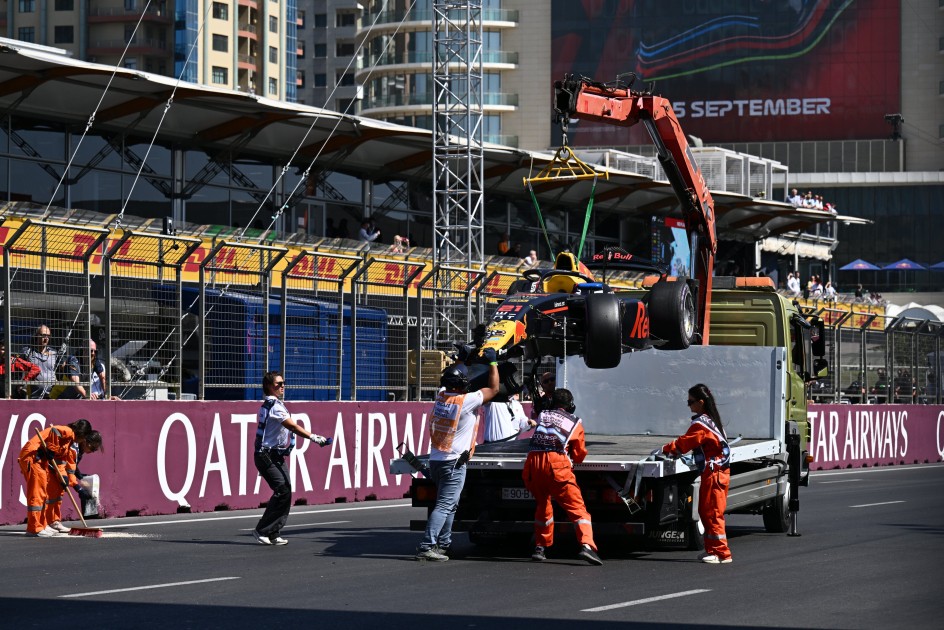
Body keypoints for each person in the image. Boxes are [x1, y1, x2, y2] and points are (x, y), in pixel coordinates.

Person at [416, 352, 500, 561]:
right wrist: (493, 362)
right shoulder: (467, 401)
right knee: (445, 505)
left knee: (451, 504)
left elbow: (453, 375)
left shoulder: (441, 396)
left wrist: (462, 359)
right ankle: (427, 545)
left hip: (436, 459)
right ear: (463, 384)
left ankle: (444, 543)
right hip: (454, 462)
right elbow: (494, 389)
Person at [523, 388, 603, 565]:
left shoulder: (543, 415)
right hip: (556, 465)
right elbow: (579, 454)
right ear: (571, 405)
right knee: (578, 509)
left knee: (543, 506)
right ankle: (587, 546)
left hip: (533, 463)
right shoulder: (575, 422)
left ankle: (540, 547)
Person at [253, 370, 331, 545]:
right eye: (278, 384)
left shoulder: (273, 404)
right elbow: (293, 427)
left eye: (283, 383)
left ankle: (273, 532)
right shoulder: (274, 406)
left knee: (286, 490)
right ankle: (262, 530)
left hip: (275, 455)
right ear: (269, 387)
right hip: (266, 455)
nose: (282, 387)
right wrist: (314, 437)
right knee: (282, 489)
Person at [661, 384, 732, 563]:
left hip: (714, 473)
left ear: (700, 402)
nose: (688, 405)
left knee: (712, 513)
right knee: (707, 511)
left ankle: (722, 553)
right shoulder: (711, 420)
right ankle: (713, 550)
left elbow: (686, 442)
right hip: (715, 472)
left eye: (690, 402)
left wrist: (666, 449)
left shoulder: (701, 424)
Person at [17, 419, 101, 537]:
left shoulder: (69, 442)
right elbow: (55, 431)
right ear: (82, 434)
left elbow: (61, 462)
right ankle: (34, 528)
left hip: (40, 461)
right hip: (33, 458)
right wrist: (51, 448)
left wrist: (64, 477)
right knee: (37, 494)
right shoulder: (68, 432)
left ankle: (42, 524)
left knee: (42, 494)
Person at [22, 324, 58, 399]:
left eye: (48, 336)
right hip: (32, 396)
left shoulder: (54, 353)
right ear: (36, 335)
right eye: (43, 335)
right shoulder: (28, 352)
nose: (46, 338)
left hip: (51, 396)